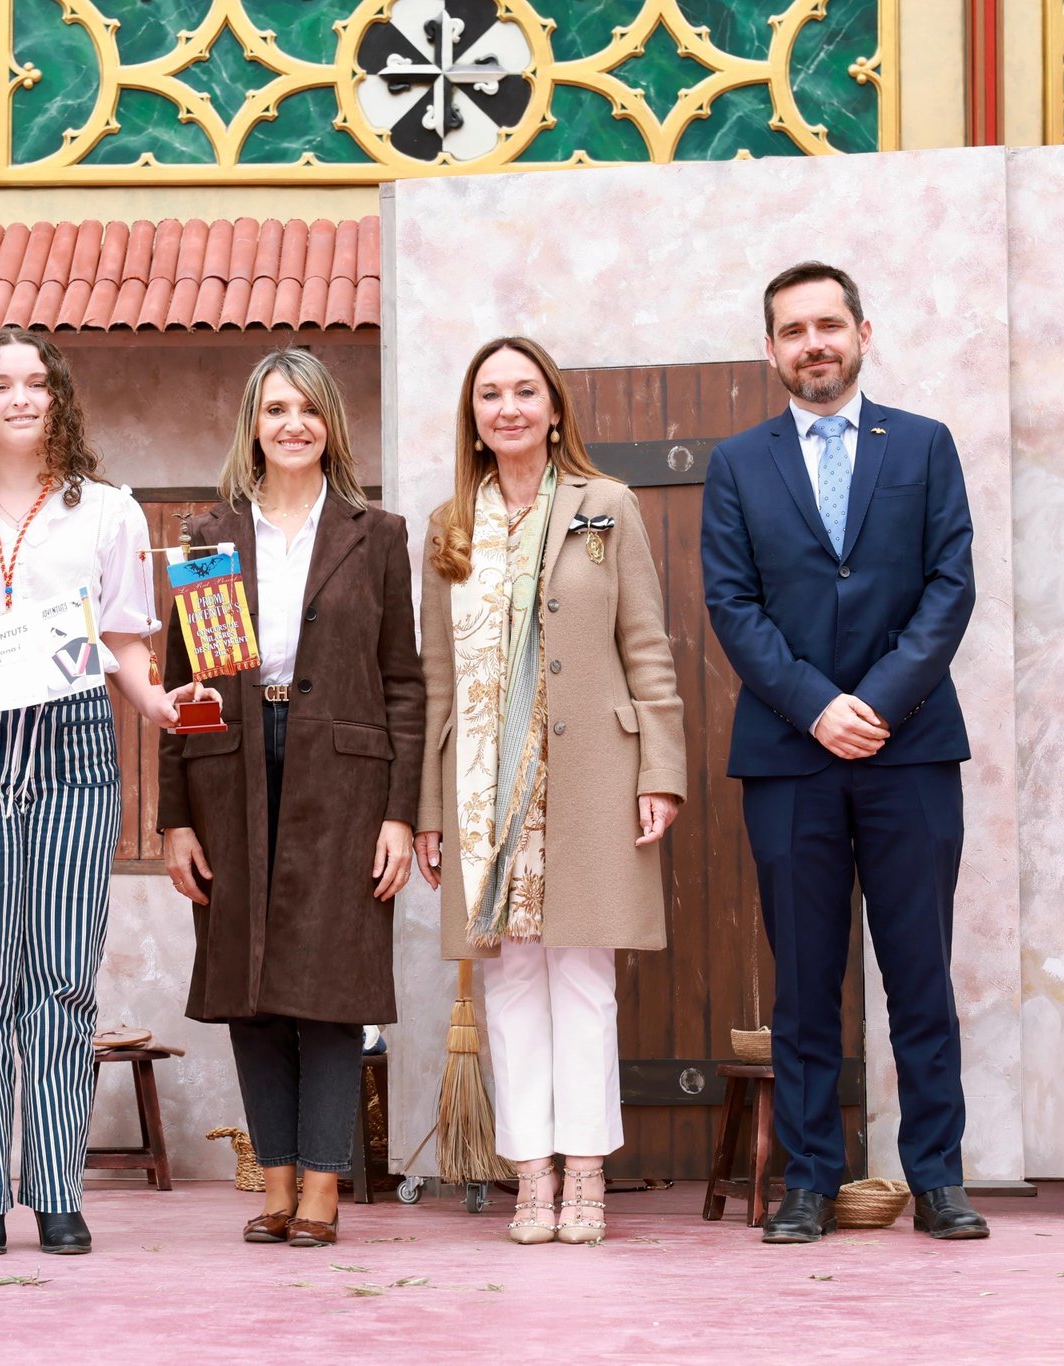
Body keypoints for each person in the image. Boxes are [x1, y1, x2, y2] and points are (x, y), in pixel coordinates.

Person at [0, 327, 192, 1257]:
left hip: (72, 744)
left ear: (58, 398)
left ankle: (57, 1187)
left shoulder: (108, 512)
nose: (20, 398)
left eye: (35, 383)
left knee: (62, 978)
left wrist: (157, 702)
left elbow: (128, 643)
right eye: (0, 384)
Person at [700, 261, 986, 1244]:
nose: (812, 343)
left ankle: (937, 1176)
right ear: (769, 348)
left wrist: (875, 701)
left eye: (828, 324)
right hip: (789, 757)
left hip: (908, 752)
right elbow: (730, 606)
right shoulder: (737, 463)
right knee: (805, 981)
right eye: (792, 329)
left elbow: (949, 584)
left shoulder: (922, 445)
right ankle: (809, 1180)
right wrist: (818, 707)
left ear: (863, 331)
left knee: (918, 972)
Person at [413, 337, 686, 1246]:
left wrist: (661, 770)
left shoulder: (605, 506)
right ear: (475, 418)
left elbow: (646, 646)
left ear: (554, 408)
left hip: (591, 773)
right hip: (484, 784)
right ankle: (530, 1174)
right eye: (489, 394)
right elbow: (437, 682)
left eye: (525, 391)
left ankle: (587, 1176)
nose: (509, 407)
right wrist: (426, 810)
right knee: (511, 981)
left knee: (583, 974)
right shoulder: (450, 525)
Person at [158, 350, 423, 1250]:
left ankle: (322, 1187)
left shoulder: (374, 534)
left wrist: (400, 811)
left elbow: (404, 684)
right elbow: (185, 683)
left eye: (309, 408)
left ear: (331, 425)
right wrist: (176, 817)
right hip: (227, 766)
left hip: (344, 773)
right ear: (254, 423)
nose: (293, 424)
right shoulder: (207, 534)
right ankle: (272, 1184)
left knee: (329, 981)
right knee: (249, 982)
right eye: (276, 409)